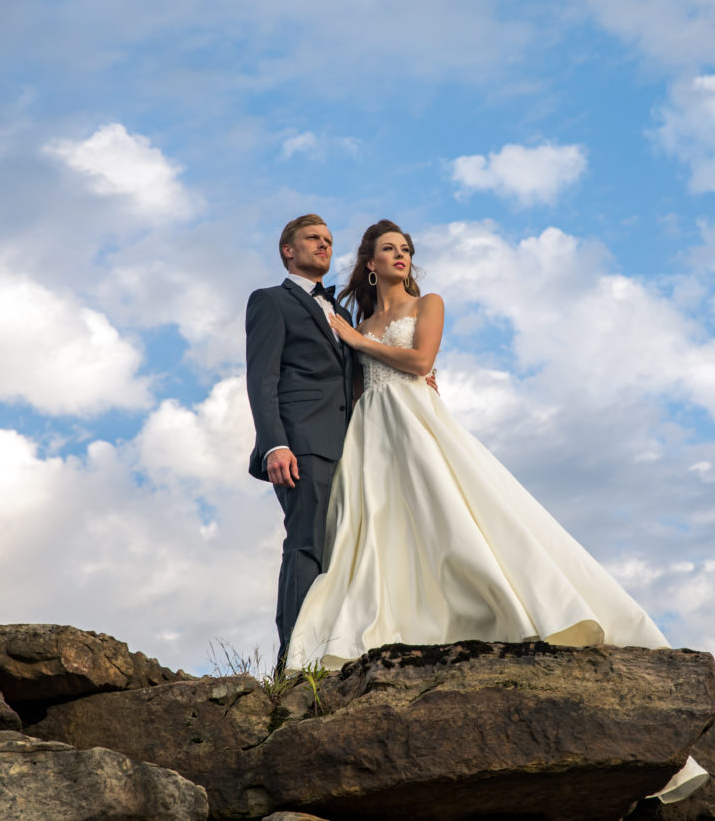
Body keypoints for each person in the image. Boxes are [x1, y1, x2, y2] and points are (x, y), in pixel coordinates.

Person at [284, 220, 671, 671]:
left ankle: (507, 605)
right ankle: (394, 622)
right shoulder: (361, 322)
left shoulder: (427, 303)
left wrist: (354, 340)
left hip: (415, 418)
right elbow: (353, 386)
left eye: (405, 249)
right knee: (378, 526)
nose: (400, 255)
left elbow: (421, 362)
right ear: (370, 264)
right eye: (388, 249)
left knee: (447, 511)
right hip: (371, 430)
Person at [244, 214, 356, 663]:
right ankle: (295, 657)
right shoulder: (271, 301)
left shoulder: (342, 313)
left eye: (329, 240)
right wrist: (274, 443)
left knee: (339, 549)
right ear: (287, 250)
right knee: (307, 541)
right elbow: (261, 377)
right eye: (313, 238)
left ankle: (332, 648)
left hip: (350, 446)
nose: (324, 245)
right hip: (301, 443)